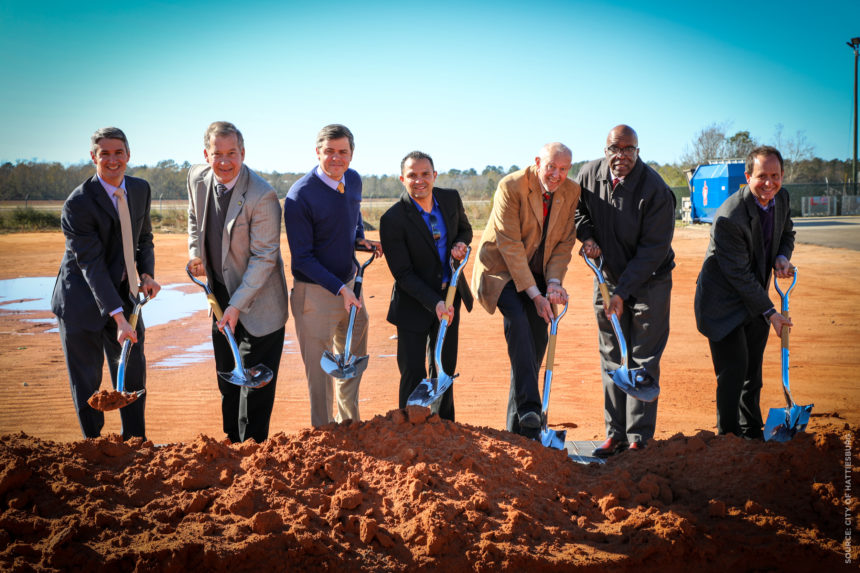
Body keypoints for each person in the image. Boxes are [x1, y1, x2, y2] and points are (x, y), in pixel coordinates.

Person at [51, 126, 161, 440]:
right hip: (80, 302)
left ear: (128, 155)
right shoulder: (78, 204)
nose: (112, 160)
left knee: (133, 374)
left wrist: (147, 275)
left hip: (125, 296)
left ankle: (135, 444)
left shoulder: (140, 189)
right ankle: (94, 448)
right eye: (105, 154)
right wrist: (118, 318)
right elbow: (92, 266)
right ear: (93, 157)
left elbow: (144, 239)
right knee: (86, 380)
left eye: (118, 153)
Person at [575, 124, 676, 457]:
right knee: (612, 354)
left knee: (642, 356)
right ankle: (614, 433)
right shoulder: (589, 174)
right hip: (607, 278)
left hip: (650, 281)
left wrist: (623, 292)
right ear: (605, 150)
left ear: (638, 150)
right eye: (614, 149)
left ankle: (638, 438)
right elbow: (577, 211)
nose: (621, 156)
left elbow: (654, 249)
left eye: (628, 149)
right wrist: (587, 235)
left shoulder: (655, 189)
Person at [187, 121, 289, 443]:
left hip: (260, 305)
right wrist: (195, 253)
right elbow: (194, 219)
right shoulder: (196, 178)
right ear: (207, 154)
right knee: (228, 382)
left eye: (232, 153)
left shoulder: (262, 194)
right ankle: (230, 447)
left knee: (254, 391)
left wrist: (235, 306)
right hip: (219, 297)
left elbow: (264, 258)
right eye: (217, 154)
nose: (225, 161)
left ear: (243, 153)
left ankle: (253, 454)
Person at [471, 143, 580, 439]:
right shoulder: (512, 185)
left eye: (563, 169)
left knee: (533, 344)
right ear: (537, 162)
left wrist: (554, 283)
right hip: (501, 269)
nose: (556, 175)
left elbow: (564, 243)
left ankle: (520, 432)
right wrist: (536, 295)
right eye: (551, 167)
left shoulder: (571, 191)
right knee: (518, 319)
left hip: (540, 273)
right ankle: (531, 408)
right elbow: (510, 245)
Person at [284, 124, 382, 427]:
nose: (336, 158)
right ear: (318, 152)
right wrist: (341, 289)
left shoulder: (352, 180)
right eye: (329, 151)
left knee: (352, 363)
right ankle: (325, 438)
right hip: (314, 294)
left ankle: (350, 427)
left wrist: (360, 238)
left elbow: (352, 218)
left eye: (343, 152)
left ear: (351, 154)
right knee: (321, 377)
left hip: (350, 286)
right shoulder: (299, 196)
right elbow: (303, 257)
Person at [694, 145, 795, 440]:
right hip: (722, 302)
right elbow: (738, 274)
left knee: (753, 370)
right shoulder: (730, 216)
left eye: (775, 176)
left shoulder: (782, 199)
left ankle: (751, 430)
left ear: (782, 175)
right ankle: (728, 437)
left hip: (753, 298)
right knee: (734, 369)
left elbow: (787, 232)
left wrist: (782, 256)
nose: (769, 183)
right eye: (762, 175)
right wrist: (771, 313)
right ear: (747, 176)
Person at [379, 151, 473, 421]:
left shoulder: (450, 199)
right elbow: (403, 273)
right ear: (402, 179)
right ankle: (410, 430)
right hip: (413, 302)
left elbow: (465, 230)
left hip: (450, 294)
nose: (419, 180)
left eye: (424, 174)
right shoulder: (392, 219)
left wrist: (461, 244)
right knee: (412, 371)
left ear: (434, 175)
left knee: (444, 368)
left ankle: (443, 429)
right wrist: (435, 303)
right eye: (412, 175)